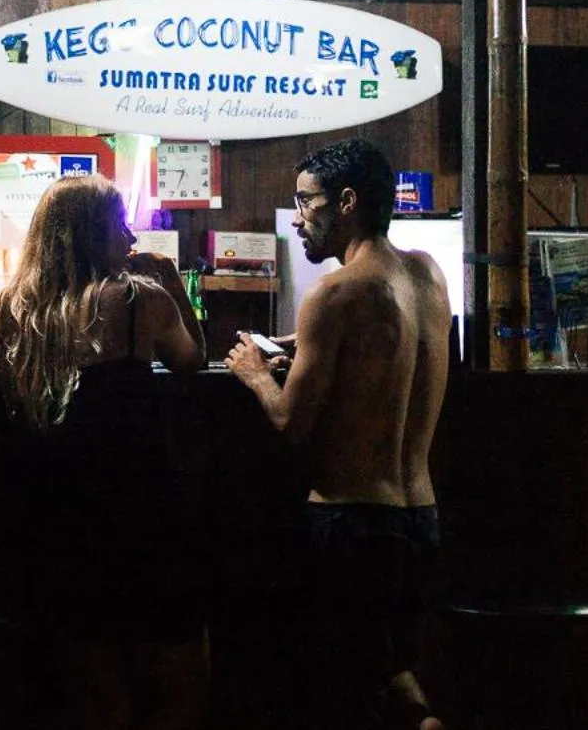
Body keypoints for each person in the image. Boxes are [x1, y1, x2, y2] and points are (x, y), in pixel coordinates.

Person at [0, 175, 208, 730]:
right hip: (142, 509)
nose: (130, 237)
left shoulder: (17, 306)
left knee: (95, 681)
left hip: (61, 517)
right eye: (120, 226)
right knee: (174, 670)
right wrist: (175, 285)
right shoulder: (141, 299)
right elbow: (191, 360)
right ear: (97, 235)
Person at [226, 137, 450, 730]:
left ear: (346, 202)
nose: (299, 218)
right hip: (421, 518)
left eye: (306, 202)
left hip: (352, 524)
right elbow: (388, 351)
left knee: (345, 697)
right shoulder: (426, 276)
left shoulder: (334, 292)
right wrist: (307, 349)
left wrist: (254, 374)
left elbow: (289, 424)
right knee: (395, 677)